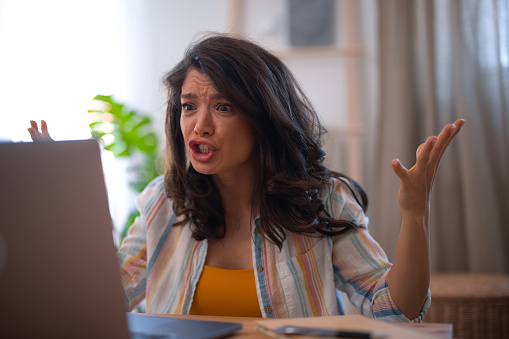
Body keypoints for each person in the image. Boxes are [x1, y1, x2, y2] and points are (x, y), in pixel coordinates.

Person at [28, 34, 464, 322]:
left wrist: (414, 215)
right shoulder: (164, 201)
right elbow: (107, 298)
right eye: (188, 106)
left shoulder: (322, 200)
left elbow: (396, 310)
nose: (198, 126)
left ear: (264, 118)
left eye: (223, 107)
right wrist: (71, 197)